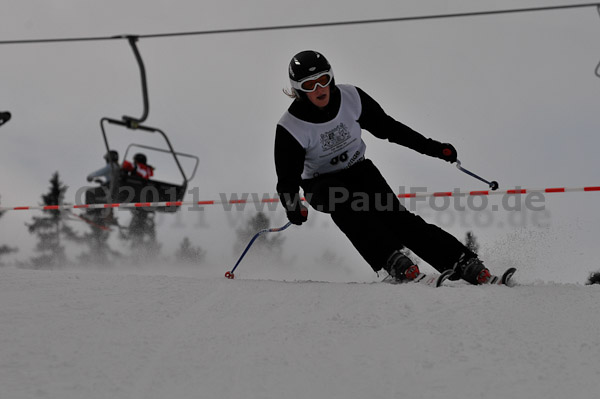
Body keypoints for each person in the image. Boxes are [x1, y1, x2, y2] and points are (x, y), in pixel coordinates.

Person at [275, 50, 492, 285]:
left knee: (399, 220)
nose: (319, 89)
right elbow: (287, 178)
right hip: (320, 184)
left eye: (323, 80)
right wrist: (293, 206)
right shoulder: (291, 127)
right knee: (342, 202)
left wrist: (434, 148)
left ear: (331, 78)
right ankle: (391, 260)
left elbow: (390, 129)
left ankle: (462, 261)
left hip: (359, 171)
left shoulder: (351, 97)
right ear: (298, 89)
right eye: (309, 84)